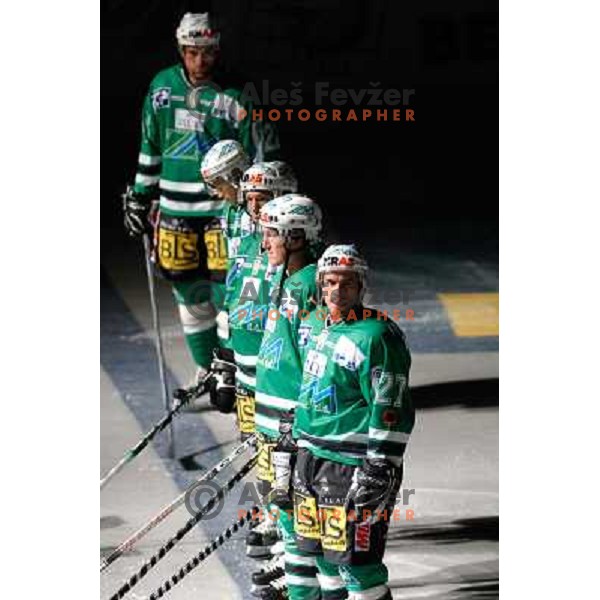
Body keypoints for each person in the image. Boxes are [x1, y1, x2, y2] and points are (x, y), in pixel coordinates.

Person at [122, 12, 279, 379]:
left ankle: (230, 368)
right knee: (188, 294)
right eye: (192, 52)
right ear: (181, 49)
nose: (199, 61)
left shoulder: (238, 93)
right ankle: (205, 370)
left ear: (217, 49)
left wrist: (261, 202)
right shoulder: (162, 89)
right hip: (175, 210)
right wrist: (140, 196)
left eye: (207, 52)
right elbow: (151, 146)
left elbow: (262, 152)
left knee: (231, 292)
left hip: (223, 210)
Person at [291, 245, 415, 600]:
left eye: (347, 284)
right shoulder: (313, 323)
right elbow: (309, 383)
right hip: (311, 456)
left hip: (352, 464)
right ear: (320, 284)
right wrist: (294, 427)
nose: (337, 291)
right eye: (330, 282)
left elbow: (391, 404)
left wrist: (381, 464)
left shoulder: (377, 336)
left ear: (361, 286)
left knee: (358, 567)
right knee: (323, 560)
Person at [249, 194, 325, 598]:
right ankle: (299, 585)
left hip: (290, 420)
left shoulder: (311, 283)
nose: (264, 243)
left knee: (297, 515)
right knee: (282, 509)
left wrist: (300, 420)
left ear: (296, 237)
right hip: (270, 416)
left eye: (271, 235)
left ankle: (303, 591)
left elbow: (318, 360)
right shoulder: (282, 277)